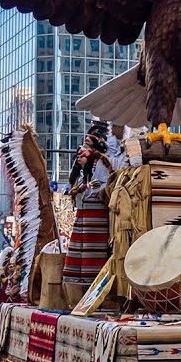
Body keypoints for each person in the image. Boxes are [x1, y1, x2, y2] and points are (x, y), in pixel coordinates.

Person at [64, 122, 113, 287]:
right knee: (82, 243)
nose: (79, 157)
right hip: (87, 208)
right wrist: (80, 188)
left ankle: (91, 278)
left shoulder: (102, 162)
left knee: (92, 244)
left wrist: (86, 187)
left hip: (97, 210)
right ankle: (79, 277)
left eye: (83, 153)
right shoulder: (90, 169)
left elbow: (105, 183)